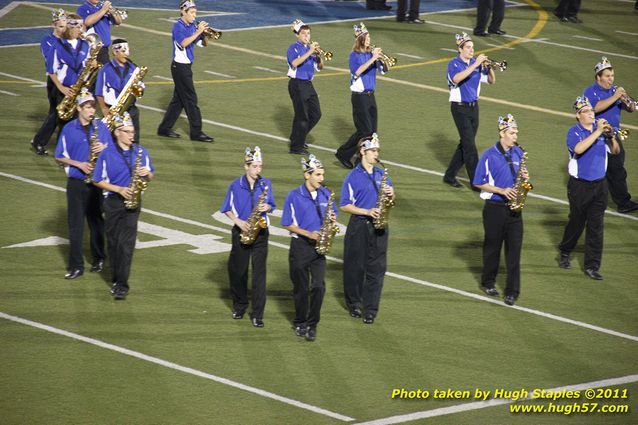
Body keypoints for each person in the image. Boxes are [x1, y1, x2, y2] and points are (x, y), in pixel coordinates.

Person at [92, 111, 154, 299]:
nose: (131, 135)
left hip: (133, 202)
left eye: (132, 131)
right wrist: (119, 190)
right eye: (127, 131)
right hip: (113, 201)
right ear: (117, 132)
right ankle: (116, 276)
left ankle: (122, 284)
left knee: (126, 244)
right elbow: (97, 180)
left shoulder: (140, 152)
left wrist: (147, 174)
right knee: (113, 243)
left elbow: (151, 175)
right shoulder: (107, 154)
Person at [558, 97, 620, 280]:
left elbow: (615, 151)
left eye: (592, 110)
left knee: (596, 226)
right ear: (578, 115)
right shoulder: (574, 132)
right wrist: (598, 132)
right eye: (586, 111)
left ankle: (592, 266)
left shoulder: (601, 130)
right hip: (580, 187)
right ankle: (565, 251)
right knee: (576, 223)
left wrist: (611, 137)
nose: (591, 113)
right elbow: (578, 149)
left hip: (600, 186)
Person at [54, 88, 111, 279]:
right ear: (79, 108)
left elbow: (112, 152)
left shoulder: (101, 127)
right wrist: (78, 164)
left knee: (96, 221)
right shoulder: (69, 129)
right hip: (77, 183)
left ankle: (99, 258)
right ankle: (76, 266)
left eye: (92, 106)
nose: (91, 110)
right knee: (75, 225)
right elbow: (59, 156)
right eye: (87, 107)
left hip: (96, 182)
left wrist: (104, 147)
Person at [281, 155, 338, 341]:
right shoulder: (294, 195)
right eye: (318, 174)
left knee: (319, 286)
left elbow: (333, 213)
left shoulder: (326, 194)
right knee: (301, 288)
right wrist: (308, 234)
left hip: (319, 248)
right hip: (300, 247)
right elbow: (287, 223)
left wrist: (332, 220)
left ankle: (312, 324)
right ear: (307, 175)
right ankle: (300, 322)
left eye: (322, 174)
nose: (322, 178)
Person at [339, 133, 394, 324]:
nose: (376, 154)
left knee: (377, 269)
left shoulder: (382, 175)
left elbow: (391, 201)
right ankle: (354, 302)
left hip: (380, 227)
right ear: (363, 152)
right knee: (355, 267)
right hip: (359, 225)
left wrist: (391, 194)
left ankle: (370, 309)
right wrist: (366, 211)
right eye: (373, 151)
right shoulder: (352, 177)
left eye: (377, 150)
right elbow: (344, 205)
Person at [473, 114, 526, 306]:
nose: (515, 136)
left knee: (514, 251)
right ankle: (488, 282)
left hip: (515, 210)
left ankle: (512, 291)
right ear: (502, 133)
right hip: (494, 209)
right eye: (512, 133)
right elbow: (478, 182)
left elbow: (521, 178)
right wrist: (501, 190)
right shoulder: (489, 155)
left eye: (516, 132)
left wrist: (525, 179)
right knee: (492, 248)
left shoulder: (518, 153)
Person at [220, 147, 276, 327]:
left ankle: (257, 314)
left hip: (260, 232)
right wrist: (238, 222)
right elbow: (226, 208)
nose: (258, 170)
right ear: (246, 166)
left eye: (260, 166)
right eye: (255, 166)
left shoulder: (265, 184)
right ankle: (240, 306)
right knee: (239, 271)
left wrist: (267, 207)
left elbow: (272, 204)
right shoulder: (236, 185)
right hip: (241, 230)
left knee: (259, 274)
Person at [583, 57, 637, 214]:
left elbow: (632, 108)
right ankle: (614, 201)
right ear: (598, 77)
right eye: (607, 76)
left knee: (617, 168)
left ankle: (622, 201)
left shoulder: (615, 91)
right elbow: (594, 108)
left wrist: (629, 102)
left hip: (613, 135)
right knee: (600, 170)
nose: (610, 79)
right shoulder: (590, 91)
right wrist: (615, 97)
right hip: (596, 136)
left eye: (612, 76)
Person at [443, 32, 495, 189]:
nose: (472, 50)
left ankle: (450, 175)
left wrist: (489, 67)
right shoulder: (453, 64)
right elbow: (456, 79)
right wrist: (475, 65)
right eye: (468, 47)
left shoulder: (476, 63)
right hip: (459, 108)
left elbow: (492, 81)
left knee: (466, 144)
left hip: (474, 108)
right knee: (470, 146)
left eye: (473, 47)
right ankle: (476, 182)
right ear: (460, 49)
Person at [157, 0, 214, 142]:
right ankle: (196, 132)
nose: (195, 15)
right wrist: (198, 31)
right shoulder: (178, 26)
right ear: (183, 12)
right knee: (191, 99)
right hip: (179, 67)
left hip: (186, 67)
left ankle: (164, 128)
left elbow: (203, 44)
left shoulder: (192, 26)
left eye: (195, 12)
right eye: (192, 12)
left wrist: (205, 34)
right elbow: (183, 43)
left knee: (178, 101)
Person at [335, 23, 386, 170]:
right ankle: (348, 155)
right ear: (361, 39)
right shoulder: (354, 55)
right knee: (365, 131)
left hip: (371, 96)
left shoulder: (371, 54)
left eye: (369, 36)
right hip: (359, 97)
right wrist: (373, 58)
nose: (369, 39)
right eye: (367, 37)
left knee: (371, 131)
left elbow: (384, 70)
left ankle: (353, 156)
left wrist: (381, 59)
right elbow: (357, 72)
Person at [44, 14, 91, 129]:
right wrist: (61, 88)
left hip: (79, 88)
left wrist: (92, 64)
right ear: (71, 27)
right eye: (79, 26)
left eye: (82, 26)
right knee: (63, 123)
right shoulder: (57, 45)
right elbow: (51, 70)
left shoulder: (85, 44)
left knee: (79, 121)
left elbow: (86, 64)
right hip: (64, 89)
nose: (82, 29)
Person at [31, 9, 67, 156]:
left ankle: (42, 141)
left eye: (65, 26)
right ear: (53, 25)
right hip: (55, 81)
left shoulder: (67, 41)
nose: (63, 29)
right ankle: (39, 141)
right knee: (57, 113)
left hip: (67, 80)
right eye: (60, 26)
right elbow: (51, 61)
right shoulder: (47, 40)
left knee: (58, 113)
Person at [95, 38, 145, 143]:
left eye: (127, 51)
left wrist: (140, 89)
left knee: (134, 142)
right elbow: (99, 92)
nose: (126, 54)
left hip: (131, 110)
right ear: (114, 52)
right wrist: (104, 109)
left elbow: (141, 87)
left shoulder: (133, 68)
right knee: (112, 142)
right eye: (123, 51)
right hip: (113, 111)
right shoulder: (105, 69)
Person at [287, 19, 323, 155]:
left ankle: (298, 138)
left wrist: (319, 56)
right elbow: (295, 63)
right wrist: (310, 52)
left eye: (308, 34)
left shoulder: (310, 49)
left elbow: (320, 67)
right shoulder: (293, 47)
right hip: (297, 84)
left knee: (316, 113)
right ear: (298, 35)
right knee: (302, 116)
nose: (307, 36)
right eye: (304, 34)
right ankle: (296, 147)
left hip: (308, 84)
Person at [77, 0, 125, 64]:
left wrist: (113, 12)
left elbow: (118, 22)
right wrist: (103, 10)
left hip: (104, 49)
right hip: (92, 49)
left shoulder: (101, 8)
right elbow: (87, 22)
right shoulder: (82, 8)